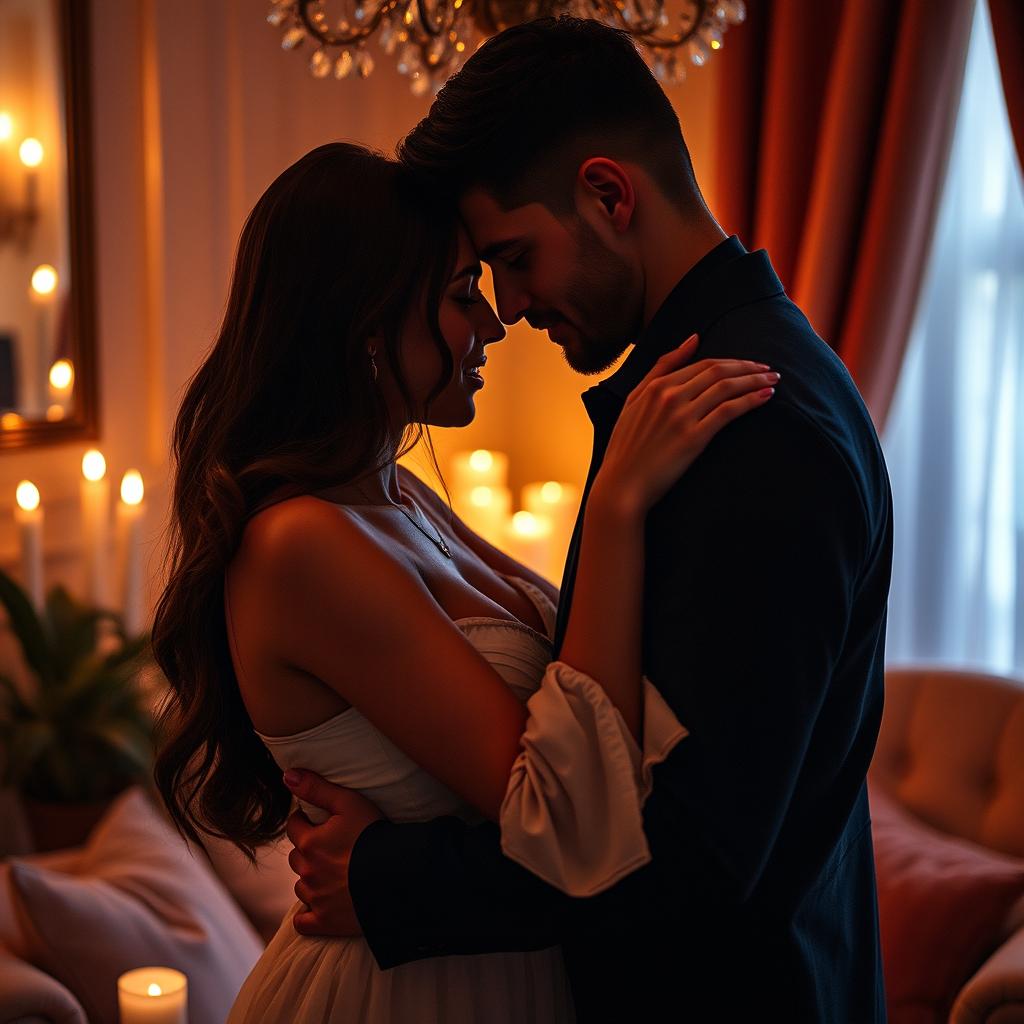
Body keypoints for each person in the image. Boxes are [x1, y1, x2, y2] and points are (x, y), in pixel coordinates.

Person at [283, 16, 894, 1023]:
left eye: (515, 258)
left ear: (608, 195)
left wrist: (391, 879)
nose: (509, 309)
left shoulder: (752, 427)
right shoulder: (712, 384)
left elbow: (687, 861)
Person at [150, 140, 775, 1023]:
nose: (492, 324)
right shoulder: (299, 546)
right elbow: (567, 819)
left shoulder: (398, 491)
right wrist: (617, 504)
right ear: (363, 325)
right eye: (458, 296)